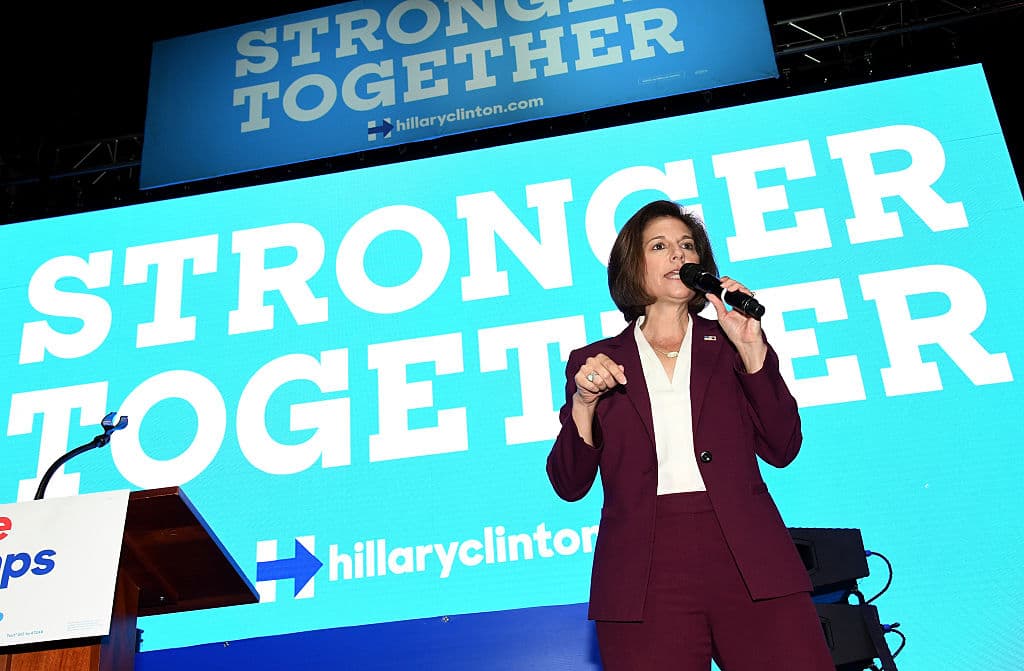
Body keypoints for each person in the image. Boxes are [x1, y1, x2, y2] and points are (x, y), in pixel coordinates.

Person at [546, 200, 834, 670]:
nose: (678, 256)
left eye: (687, 246)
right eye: (660, 246)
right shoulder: (593, 360)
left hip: (748, 553)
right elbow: (568, 483)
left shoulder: (731, 341)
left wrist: (752, 348)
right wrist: (583, 404)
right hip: (643, 569)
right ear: (631, 268)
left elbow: (783, 447)